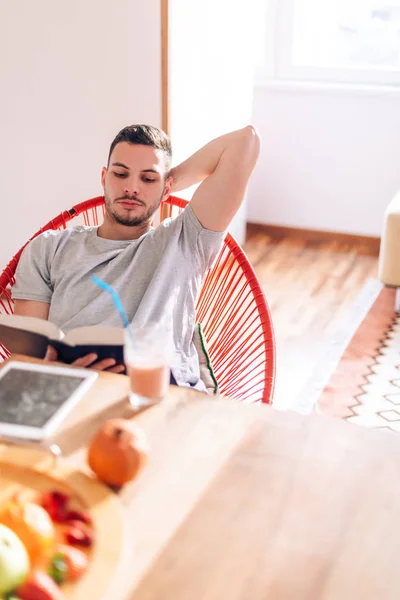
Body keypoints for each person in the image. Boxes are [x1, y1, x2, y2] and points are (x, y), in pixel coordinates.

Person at [12, 124, 260, 390]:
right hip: (67, 389)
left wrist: (166, 180)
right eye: (120, 174)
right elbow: (27, 354)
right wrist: (59, 372)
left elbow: (246, 142)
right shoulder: (48, 248)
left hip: (159, 396)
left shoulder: (185, 241)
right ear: (104, 178)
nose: (131, 188)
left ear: (167, 189)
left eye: (147, 179)